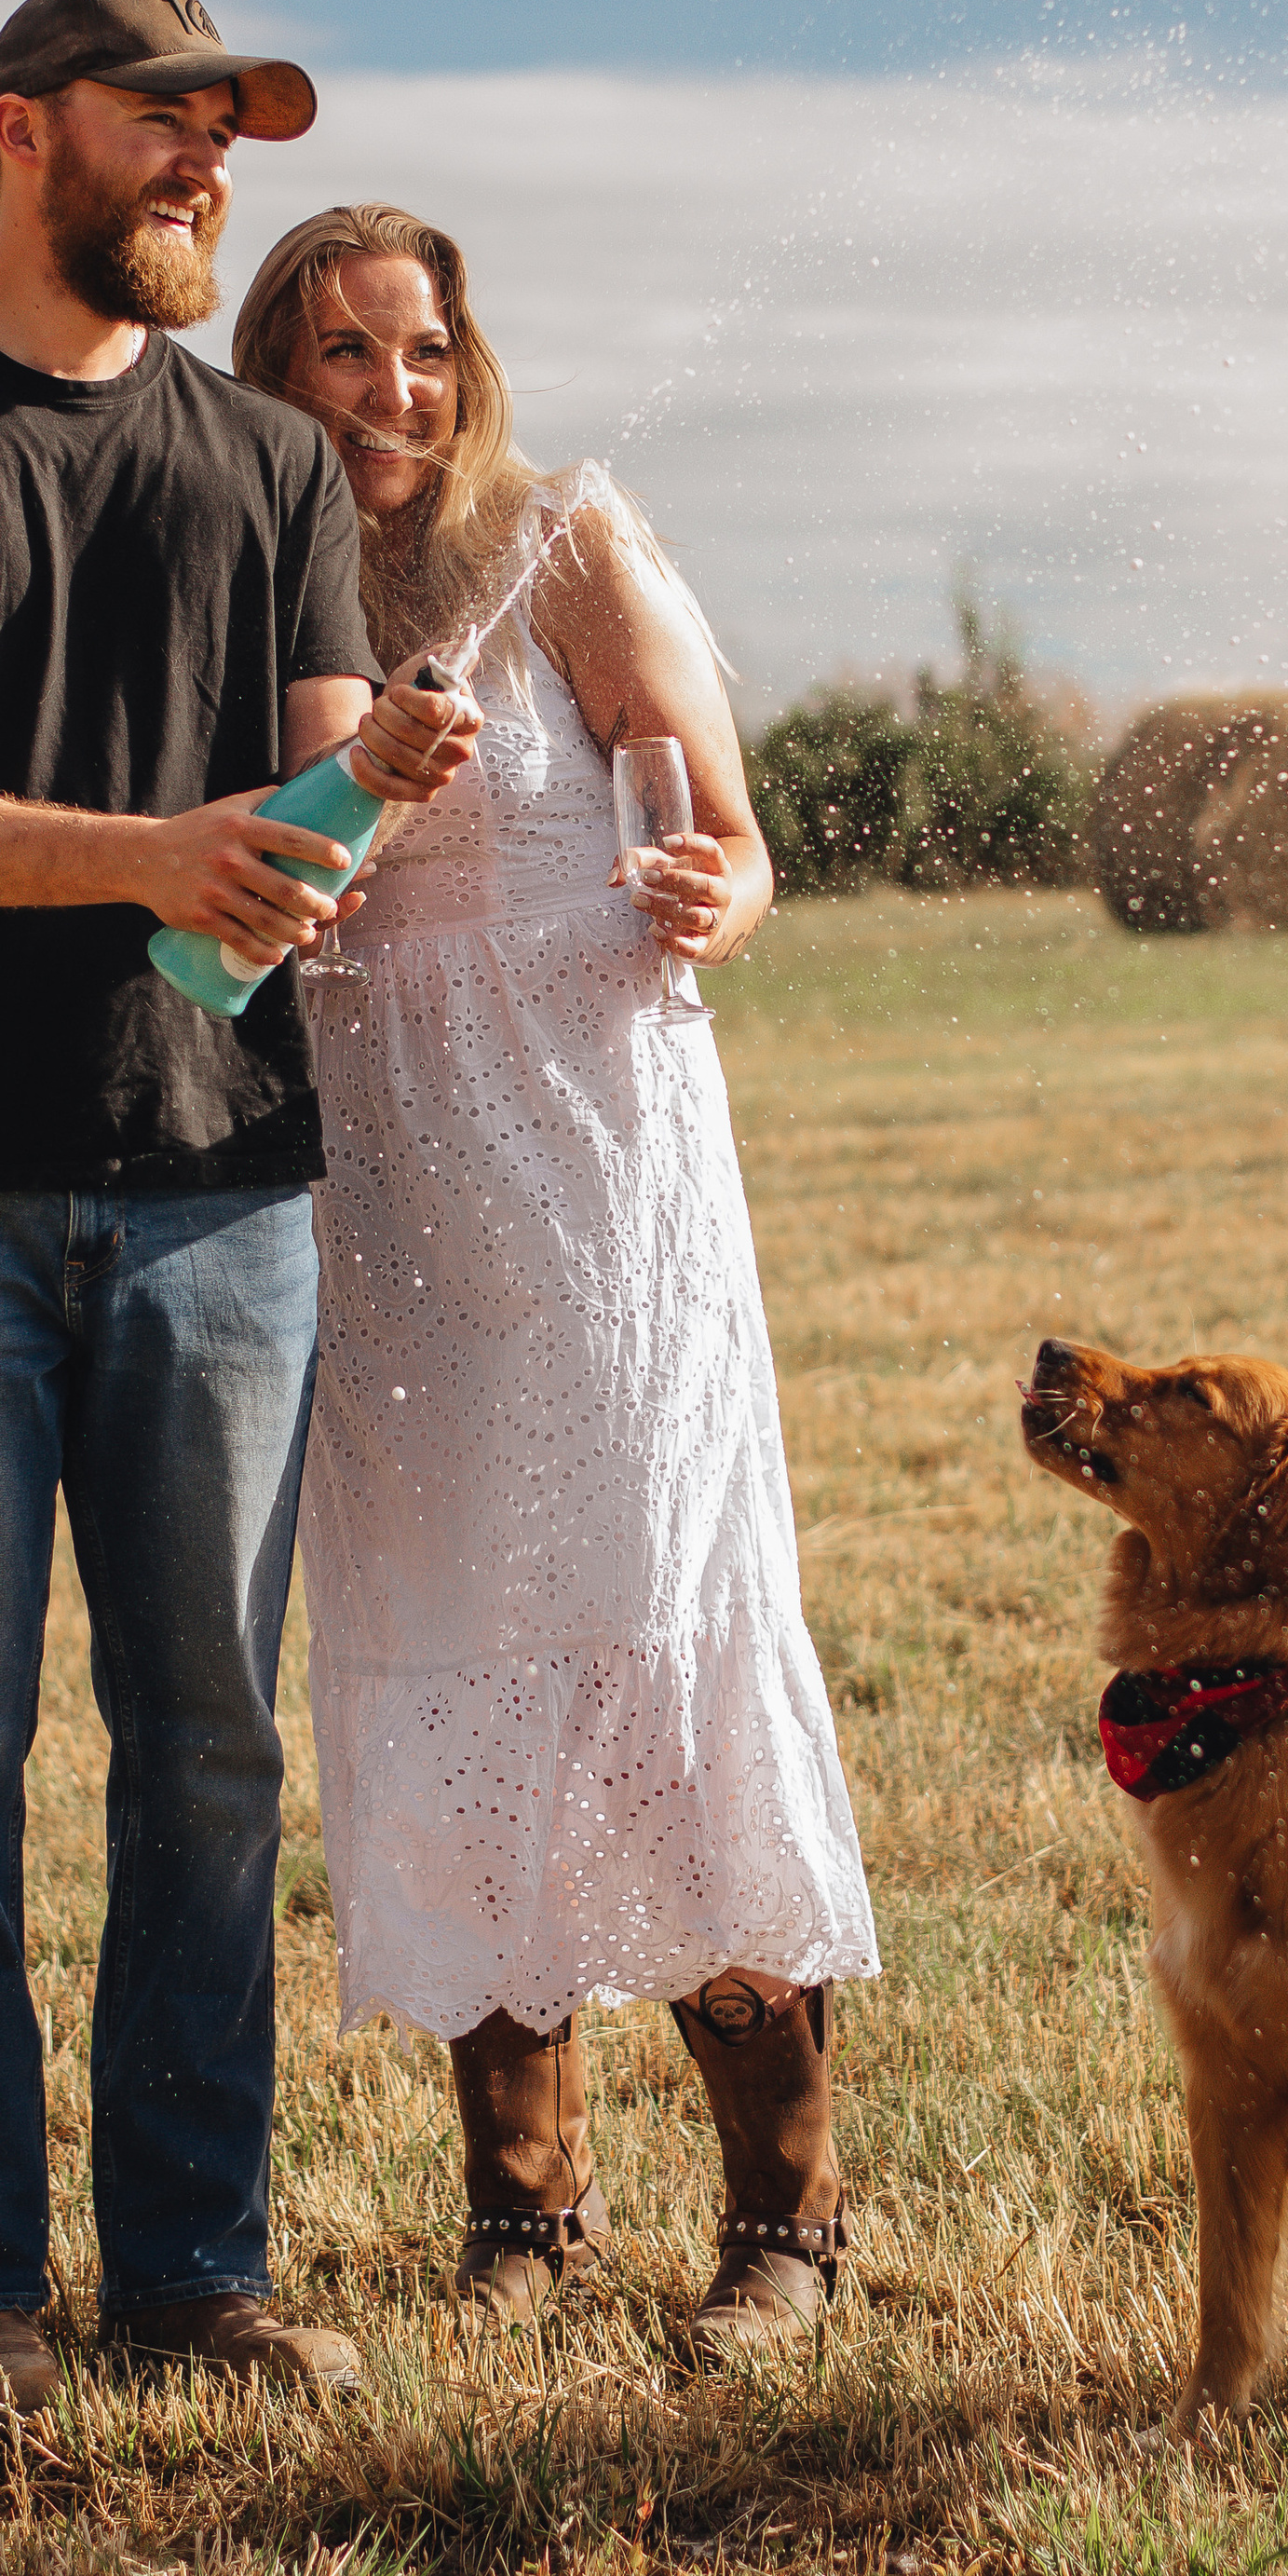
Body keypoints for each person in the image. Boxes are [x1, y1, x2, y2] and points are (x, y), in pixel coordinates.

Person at [0, 0, 476, 2426]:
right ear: (18, 130)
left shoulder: (268, 464)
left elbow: (310, 796)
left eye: (223, 142)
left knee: (212, 1752)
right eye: (164, 131)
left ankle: (192, 2269)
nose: (200, 176)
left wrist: (382, 791)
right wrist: (162, 852)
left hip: (223, 1196)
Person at [231, 201, 878, 2351]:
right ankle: (525, 2221)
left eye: (418, 349)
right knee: (455, 1649)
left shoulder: (565, 534)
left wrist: (724, 884)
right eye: (339, 354)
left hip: (598, 1166)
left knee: (646, 1630)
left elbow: (737, 836)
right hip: (381, 1179)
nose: (390, 392)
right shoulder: (247, 557)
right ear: (277, 369)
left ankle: (782, 2222)